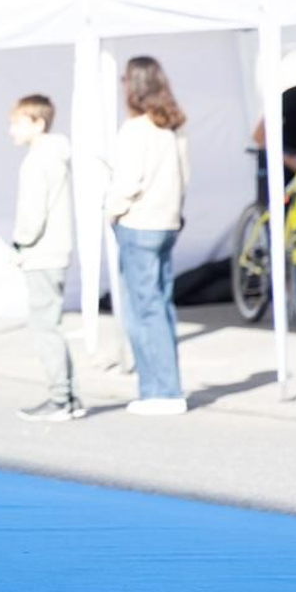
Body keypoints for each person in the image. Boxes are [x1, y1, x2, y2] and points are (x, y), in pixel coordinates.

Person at [106, 56, 190, 416]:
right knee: (161, 305)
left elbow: (127, 181)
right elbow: (184, 177)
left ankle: (161, 391)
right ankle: (164, 387)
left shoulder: (136, 128)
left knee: (143, 310)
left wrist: (113, 211)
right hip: (167, 221)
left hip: (139, 223)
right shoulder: (173, 126)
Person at [8, 94, 82, 422]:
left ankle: (60, 398)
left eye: (17, 122)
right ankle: (69, 396)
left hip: (42, 252)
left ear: (38, 123)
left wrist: (21, 244)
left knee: (44, 326)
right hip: (55, 249)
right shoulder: (55, 155)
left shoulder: (38, 160)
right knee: (50, 323)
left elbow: (31, 213)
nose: (11, 129)